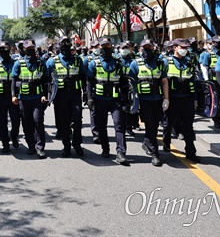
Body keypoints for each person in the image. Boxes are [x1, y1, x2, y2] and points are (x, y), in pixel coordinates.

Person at [86, 37, 128, 165]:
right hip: (99, 99)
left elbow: (124, 82)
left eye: (107, 46)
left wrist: (126, 99)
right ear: (99, 47)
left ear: (112, 47)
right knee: (101, 126)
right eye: (103, 46)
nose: (105, 49)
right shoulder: (94, 63)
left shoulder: (118, 63)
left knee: (119, 125)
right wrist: (89, 98)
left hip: (115, 100)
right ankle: (105, 148)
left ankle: (121, 152)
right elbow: (89, 81)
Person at [129, 39, 169, 166]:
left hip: (157, 100)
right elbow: (132, 85)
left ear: (153, 49)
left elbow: (164, 82)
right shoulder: (135, 64)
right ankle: (154, 153)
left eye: (149, 48)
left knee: (155, 125)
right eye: (144, 48)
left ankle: (147, 142)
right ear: (140, 49)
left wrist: (166, 99)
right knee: (150, 124)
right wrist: (135, 103)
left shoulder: (160, 63)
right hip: (144, 101)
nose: (147, 50)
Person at [46, 36, 86, 157]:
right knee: (63, 122)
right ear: (59, 46)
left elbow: (83, 76)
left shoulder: (78, 60)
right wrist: (48, 96)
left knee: (78, 119)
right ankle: (66, 146)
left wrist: (86, 94)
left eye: (67, 43)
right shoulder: (52, 61)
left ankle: (77, 143)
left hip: (75, 94)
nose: (65, 46)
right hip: (60, 96)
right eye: (63, 44)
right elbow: (46, 79)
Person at [163, 38, 200, 163]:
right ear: (175, 47)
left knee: (188, 127)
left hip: (187, 99)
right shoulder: (166, 62)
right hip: (172, 99)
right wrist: (165, 99)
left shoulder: (189, 63)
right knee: (168, 124)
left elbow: (193, 82)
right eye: (182, 47)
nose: (184, 50)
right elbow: (162, 82)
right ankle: (166, 142)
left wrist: (195, 99)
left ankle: (191, 152)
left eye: (186, 47)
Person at [11, 40, 49, 159]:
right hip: (24, 98)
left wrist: (44, 95)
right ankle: (31, 146)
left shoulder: (40, 63)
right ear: (24, 50)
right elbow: (14, 80)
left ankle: (40, 147)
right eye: (28, 48)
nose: (30, 50)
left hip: (37, 98)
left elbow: (45, 81)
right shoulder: (18, 63)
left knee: (38, 120)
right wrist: (14, 95)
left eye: (32, 48)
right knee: (27, 123)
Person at [0, 42, 20, 153]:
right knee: (2, 122)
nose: (4, 50)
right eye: (1, 49)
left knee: (15, 120)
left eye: (6, 48)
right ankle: (5, 143)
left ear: (10, 49)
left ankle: (14, 136)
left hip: (13, 97)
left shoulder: (15, 63)